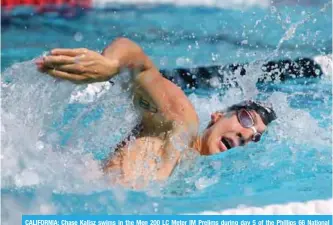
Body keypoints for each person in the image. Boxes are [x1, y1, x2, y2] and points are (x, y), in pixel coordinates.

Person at [36, 37, 277, 188]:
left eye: (254, 137)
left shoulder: (195, 175)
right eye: (246, 119)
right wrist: (109, 64)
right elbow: (138, 61)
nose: (246, 134)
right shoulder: (183, 122)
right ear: (217, 115)